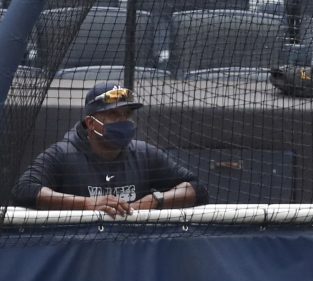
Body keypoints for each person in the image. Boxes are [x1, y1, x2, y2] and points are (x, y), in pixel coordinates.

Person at [11, 83, 207, 217]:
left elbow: (197, 189)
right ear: (90, 123)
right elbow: (24, 190)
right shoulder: (63, 154)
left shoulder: (144, 154)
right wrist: (86, 204)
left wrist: (157, 200)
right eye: (113, 114)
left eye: (127, 114)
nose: (123, 121)